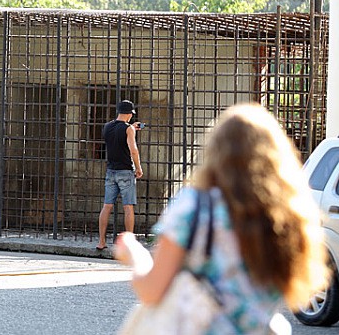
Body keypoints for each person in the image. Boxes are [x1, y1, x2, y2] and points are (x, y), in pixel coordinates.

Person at [115, 103, 328, 333]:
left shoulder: (194, 207)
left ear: (216, 151)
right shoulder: (289, 216)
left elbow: (151, 290)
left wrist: (137, 256)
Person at [97, 99, 143, 251]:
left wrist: (131, 128)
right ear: (130, 114)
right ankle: (130, 245)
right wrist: (138, 168)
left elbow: (117, 137)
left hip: (111, 171)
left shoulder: (107, 126)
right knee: (128, 207)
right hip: (125, 171)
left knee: (107, 206)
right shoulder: (128, 129)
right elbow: (133, 150)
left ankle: (101, 242)